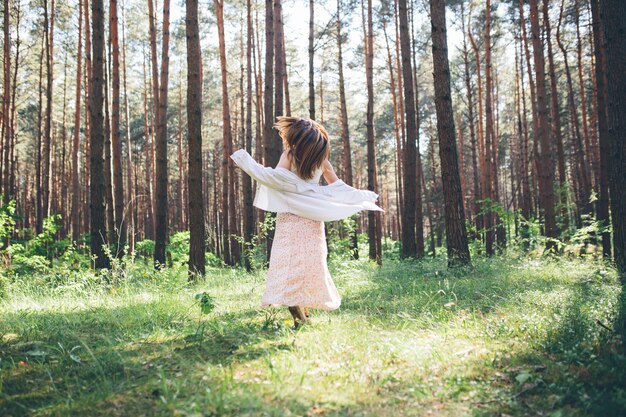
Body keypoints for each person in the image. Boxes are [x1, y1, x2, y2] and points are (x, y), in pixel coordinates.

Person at [231, 116, 382, 328]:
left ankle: (298, 311)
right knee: (310, 263)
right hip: (312, 221)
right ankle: (301, 309)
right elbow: (338, 187)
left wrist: (247, 162)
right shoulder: (321, 161)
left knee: (289, 263)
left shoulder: (290, 155)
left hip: (291, 219)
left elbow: (276, 179)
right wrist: (362, 196)